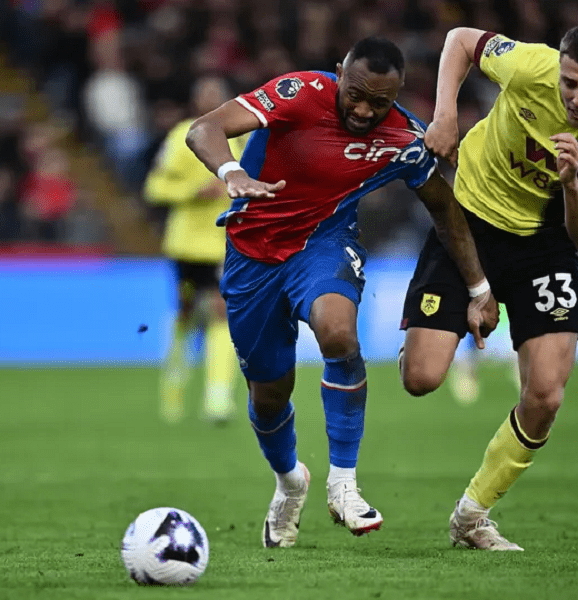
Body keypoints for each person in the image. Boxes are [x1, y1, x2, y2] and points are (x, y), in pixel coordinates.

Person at [186, 36, 499, 548]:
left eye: (379, 101)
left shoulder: (402, 137)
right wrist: (233, 172)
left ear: (396, 93)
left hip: (323, 245)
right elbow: (205, 129)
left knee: (337, 333)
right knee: (269, 394)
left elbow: (443, 208)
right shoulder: (298, 92)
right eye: (354, 94)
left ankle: (344, 483)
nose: (362, 109)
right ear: (338, 73)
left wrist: (479, 287)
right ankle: (290, 482)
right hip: (252, 257)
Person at [399, 22, 578, 550]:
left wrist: (570, 185)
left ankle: (472, 515)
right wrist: (445, 115)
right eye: (570, 83)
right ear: (557, 68)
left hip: (546, 246)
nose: (577, 98)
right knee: (421, 377)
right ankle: (449, 318)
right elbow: (459, 40)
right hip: (469, 222)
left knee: (545, 395)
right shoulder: (529, 64)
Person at [143, 76, 246, 424]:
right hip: (186, 246)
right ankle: (172, 390)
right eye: (206, 96)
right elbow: (154, 187)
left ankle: (217, 399)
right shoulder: (181, 136)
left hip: (224, 246)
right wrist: (193, 190)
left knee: (220, 312)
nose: (212, 101)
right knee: (186, 317)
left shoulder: (245, 138)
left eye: (219, 96)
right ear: (195, 101)